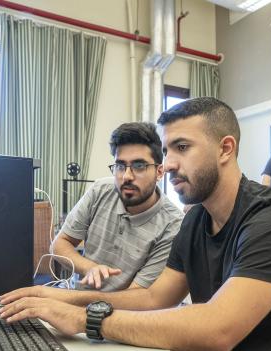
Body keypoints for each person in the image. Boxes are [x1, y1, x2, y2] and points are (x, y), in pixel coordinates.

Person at [0, 97, 271, 351]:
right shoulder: (197, 219)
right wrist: (59, 299)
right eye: (168, 150)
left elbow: (218, 329)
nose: (168, 165)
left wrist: (86, 319)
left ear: (225, 149)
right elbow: (153, 298)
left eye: (182, 148)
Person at [52, 122, 183, 291]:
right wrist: (89, 267)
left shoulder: (173, 225)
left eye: (139, 166)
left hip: (123, 313)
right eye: (120, 166)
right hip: (79, 299)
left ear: (159, 172)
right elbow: (59, 244)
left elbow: (136, 297)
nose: (127, 176)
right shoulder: (100, 190)